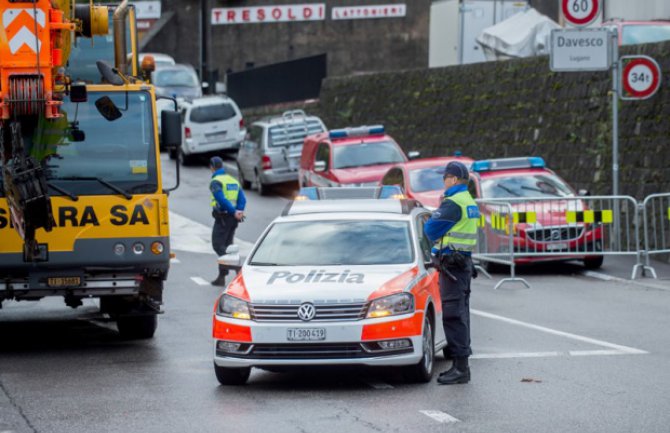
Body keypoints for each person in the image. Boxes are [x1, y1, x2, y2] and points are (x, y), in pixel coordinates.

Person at [423, 160, 479, 385]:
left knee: (453, 315)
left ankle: (460, 368)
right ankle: (462, 362)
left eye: (444, 178)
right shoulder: (468, 201)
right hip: (463, 263)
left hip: (453, 266)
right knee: (461, 313)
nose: (443, 182)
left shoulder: (453, 203)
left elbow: (430, 229)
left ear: (453, 179)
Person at [209, 156, 246, 286]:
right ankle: (221, 277)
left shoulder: (216, 182)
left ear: (212, 168)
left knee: (218, 245)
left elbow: (221, 200)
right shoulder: (233, 180)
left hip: (224, 217)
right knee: (228, 246)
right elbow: (242, 199)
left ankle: (237, 268)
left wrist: (233, 211)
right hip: (233, 218)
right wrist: (239, 211)